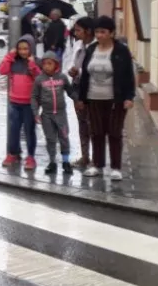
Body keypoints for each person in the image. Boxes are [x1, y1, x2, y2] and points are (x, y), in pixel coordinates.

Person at [75, 16, 136, 180]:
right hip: (94, 97)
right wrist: (81, 98)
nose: (99, 35)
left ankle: (116, 167)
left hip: (115, 98)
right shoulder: (91, 49)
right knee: (96, 132)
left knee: (115, 132)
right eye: (97, 32)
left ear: (112, 33)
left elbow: (128, 76)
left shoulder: (121, 50)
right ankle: (97, 164)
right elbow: (85, 75)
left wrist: (129, 97)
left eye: (103, 32)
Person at [0, 35, 41, 168]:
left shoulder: (37, 62)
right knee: (14, 129)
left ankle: (31, 156)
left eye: (26, 49)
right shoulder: (13, 61)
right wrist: (9, 56)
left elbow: (39, 78)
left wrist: (32, 65)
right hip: (14, 102)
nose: (23, 52)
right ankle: (13, 153)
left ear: (31, 49)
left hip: (30, 104)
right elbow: (2, 70)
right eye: (20, 49)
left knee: (29, 130)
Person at [32, 51, 75, 175]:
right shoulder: (39, 79)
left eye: (49, 64)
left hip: (61, 115)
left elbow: (69, 90)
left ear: (56, 64)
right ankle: (52, 162)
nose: (46, 66)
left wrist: (77, 99)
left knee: (64, 137)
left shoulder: (62, 77)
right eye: (44, 64)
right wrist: (36, 113)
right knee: (50, 139)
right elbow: (34, 97)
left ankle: (66, 162)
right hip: (47, 115)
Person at [66, 17, 95, 168]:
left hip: (92, 89)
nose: (75, 33)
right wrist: (71, 70)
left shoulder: (97, 46)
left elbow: (97, 69)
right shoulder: (77, 44)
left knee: (93, 124)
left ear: (88, 31)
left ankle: (97, 159)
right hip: (77, 87)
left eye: (78, 30)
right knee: (82, 122)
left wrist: (80, 71)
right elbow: (72, 62)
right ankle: (85, 156)